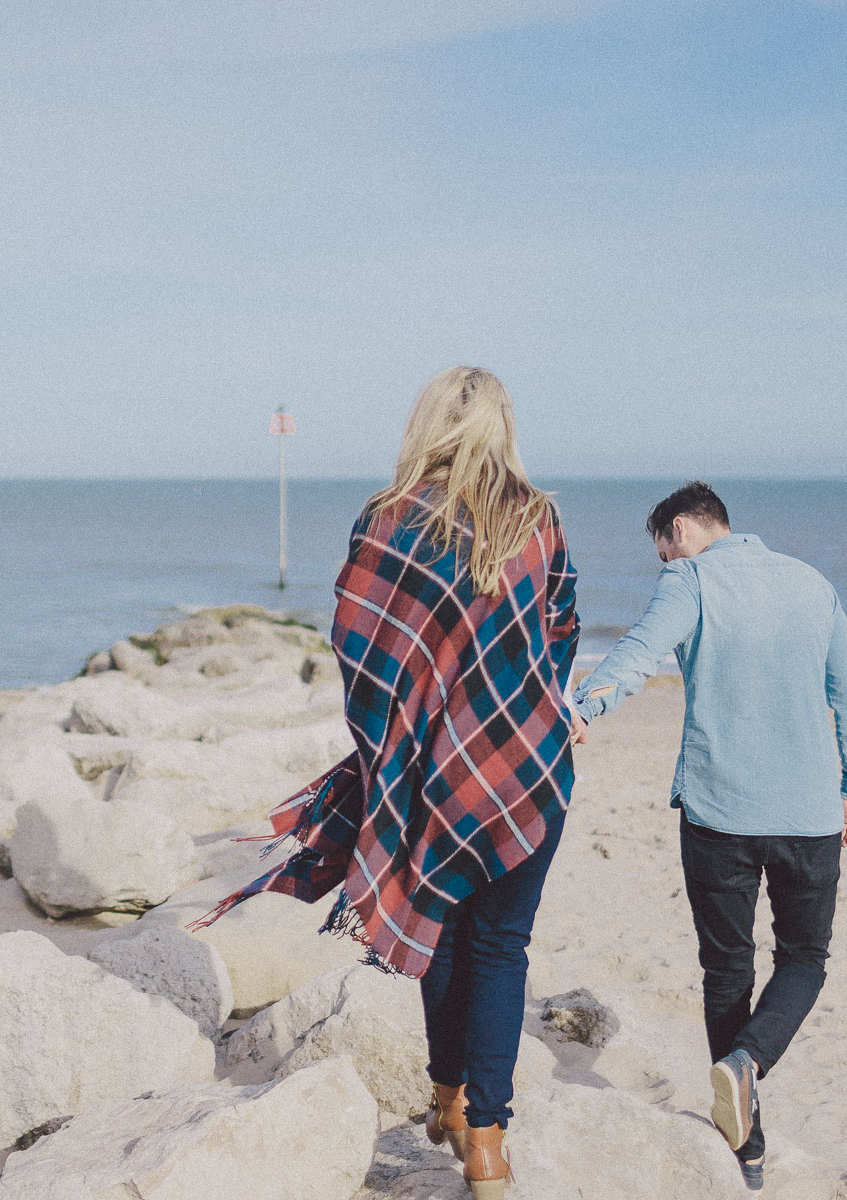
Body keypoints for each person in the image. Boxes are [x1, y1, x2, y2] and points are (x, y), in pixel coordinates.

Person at [197, 367, 580, 1200]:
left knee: (439, 923)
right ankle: (487, 1144)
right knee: (502, 947)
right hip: (524, 766)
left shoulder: (385, 519)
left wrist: (391, 744)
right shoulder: (536, 518)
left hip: (429, 772)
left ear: (427, 423)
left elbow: (357, 642)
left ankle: (448, 1098)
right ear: (503, 427)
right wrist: (532, 701)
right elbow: (560, 629)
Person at [568, 481, 847, 1192]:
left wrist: (584, 707)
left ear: (681, 528)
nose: (665, 563)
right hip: (808, 813)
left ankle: (747, 1144)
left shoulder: (690, 580)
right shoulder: (812, 583)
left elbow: (640, 653)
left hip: (719, 812)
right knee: (805, 959)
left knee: (727, 973)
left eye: (662, 551)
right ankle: (749, 1065)